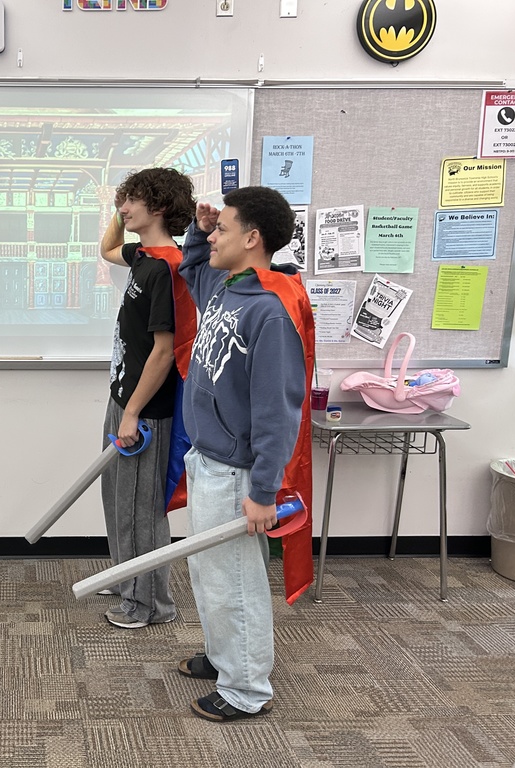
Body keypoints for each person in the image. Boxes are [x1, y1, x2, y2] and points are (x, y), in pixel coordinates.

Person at [176, 186, 315, 721]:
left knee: (234, 581)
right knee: (211, 573)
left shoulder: (271, 312)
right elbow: (193, 267)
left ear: (252, 239)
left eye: (223, 229)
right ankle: (222, 657)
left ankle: (246, 689)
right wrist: (198, 227)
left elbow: (280, 412)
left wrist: (262, 490)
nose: (213, 236)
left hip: (236, 474)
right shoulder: (228, 287)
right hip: (208, 459)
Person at [97, 167, 198, 629]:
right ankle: (126, 577)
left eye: (131, 200)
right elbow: (105, 250)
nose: (123, 207)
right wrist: (115, 210)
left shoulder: (167, 268)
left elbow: (164, 351)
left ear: (157, 207)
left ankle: (149, 605)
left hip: (145, 410)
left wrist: (133, 412)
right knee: (117, 498)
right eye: (122, 199)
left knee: (141, 509)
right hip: (124, 396)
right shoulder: (143, 255)